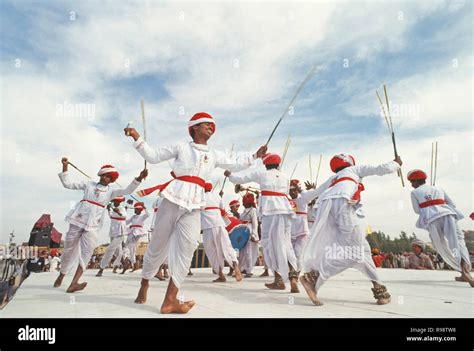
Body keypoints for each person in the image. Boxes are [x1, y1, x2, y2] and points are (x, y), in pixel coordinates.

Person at [125, 112, 267, 313]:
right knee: (157, 246)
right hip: (173, 197)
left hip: (195, 203)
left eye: (212, 126)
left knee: (189, 246)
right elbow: (153, 156)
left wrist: (254, 156)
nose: (210, 127)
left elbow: (234, 163)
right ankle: (144, 283)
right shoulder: (181, 146)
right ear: (194, 128)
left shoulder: (215, 154)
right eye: (206, 124)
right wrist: (136, 137)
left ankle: (169, 300)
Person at [300, 154, 402, 306]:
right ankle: (313, 276)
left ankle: (379, 288)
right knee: (359, 250)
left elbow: (312, 194)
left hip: (324, 206)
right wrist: (396, 163)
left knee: (358, 251)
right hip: (343, 202)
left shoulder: (333, 179)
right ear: (350, 162)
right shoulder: (355, 169)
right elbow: (381, 169)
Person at [54, 158, 147, 292]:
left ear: (111, 179)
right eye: (104, 175)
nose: (105, 178)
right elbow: (67, 184)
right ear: (100, 175)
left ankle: (74, 283)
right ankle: (62, 275)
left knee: (87, 251)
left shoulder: (111, 192)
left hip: (93, 225)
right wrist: (65, 167)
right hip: (78, 219)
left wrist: (139, 178)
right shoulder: (88, 185)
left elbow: (127, 191)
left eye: (109, 176)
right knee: (69, 250)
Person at [225, 153, 300, 293]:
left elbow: (240, 179)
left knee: (270, 245)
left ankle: (278, 280)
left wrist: (229, 175)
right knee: (285, 244)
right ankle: (293, 277)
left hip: (269, 211)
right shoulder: (285, 177)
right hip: (285, 211)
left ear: (265, 165)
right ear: (278, 165)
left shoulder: (261, 173)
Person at [407, 169, 473, 286]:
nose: (411, 185)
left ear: (417, 180)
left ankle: (461, 270)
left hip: (432, 220)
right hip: (448, 215)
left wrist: (430, 207)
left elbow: (417, 211)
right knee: (458, 241)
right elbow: (452, 204)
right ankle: (466, 271)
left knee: (441, 245)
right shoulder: (439, 188)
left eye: (412, 182)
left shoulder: (414, 193)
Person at [201, 183, 242, 282]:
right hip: (220, 224)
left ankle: (220, 274)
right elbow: (222, 209)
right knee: (227, 246)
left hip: (208, 226)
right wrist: (220, 197)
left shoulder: (200, 197)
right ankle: (235, 265)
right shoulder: (216, 196)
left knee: (212, 250)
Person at [288, 179, 321, 279]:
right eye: (290, 190)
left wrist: (312, 190)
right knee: (291, 255)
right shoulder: (287, 201)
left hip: (302, 232)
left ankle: (297, 273)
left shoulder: (303, 199)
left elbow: (312, 196)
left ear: (297, 190)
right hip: (290, 233)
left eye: (294, 190)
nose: (292, 192)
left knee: (298, 253)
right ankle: (294, 272)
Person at [96, 196, 127, 277]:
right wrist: (109, 210)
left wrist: (118, 212)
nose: (114, 203)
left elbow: (124, 216)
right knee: (118, 253)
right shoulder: (113, 208)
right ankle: (125, 265)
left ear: (119, 202)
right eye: (113, 202)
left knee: (109, 249)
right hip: (113, 232)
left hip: (120, 232)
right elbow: (111, 216)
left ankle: (101, 269)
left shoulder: (121, 208)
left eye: (116, 201)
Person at [122, 202, 150, 273]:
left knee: (132, 248)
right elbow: (125, 222)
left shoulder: (142, 216)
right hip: (132, 232)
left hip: (138, 233)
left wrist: (144, 206)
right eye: (135, 209)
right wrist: (125, 211)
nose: (134, 210)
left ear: (140, 210)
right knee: (129, 248)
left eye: (136, 209)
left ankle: (130, 263)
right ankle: (131, 263)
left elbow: (148, 214)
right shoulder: (133, 217)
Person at [239, 192, 260, 277]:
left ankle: (249, 271)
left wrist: (254, 235)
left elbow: (255, 223)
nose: (242, 203)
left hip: (249, 231)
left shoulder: (253, 210)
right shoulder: (244, 210)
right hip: (242, 230)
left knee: (248, 252)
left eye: (244, 201)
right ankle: (242, 268)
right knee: (242, 251)